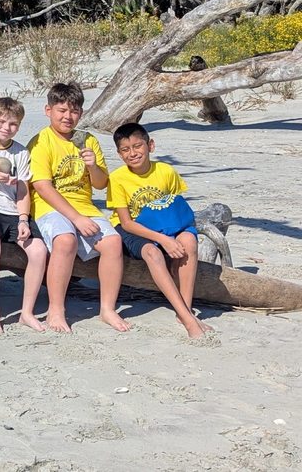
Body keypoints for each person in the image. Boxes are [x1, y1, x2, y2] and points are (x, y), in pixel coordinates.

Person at [28, 83, 128, 334]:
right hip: (49, 206)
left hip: (85, 205)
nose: (67, 116)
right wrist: (76, 218)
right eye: (61, 110)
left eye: (73, 111)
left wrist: (93, 166)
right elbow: (42, 186)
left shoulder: (88, 140)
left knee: (113, 242)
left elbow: (101, 184)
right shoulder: (41, 141)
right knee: (65, 240)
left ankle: (107, 308)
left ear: (81, 114)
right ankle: (56, 309)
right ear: (48, 110)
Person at [107, 122, 208, 338]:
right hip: (135, 230)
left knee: (189, 242)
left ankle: (185, 311)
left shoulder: (165, 171)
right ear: (119, 153)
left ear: (150, 145)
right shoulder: (117, 178)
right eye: (125, 149)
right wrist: (163, 240)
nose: (133, 153)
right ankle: (188, 319)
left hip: (167, 224)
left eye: (137, 146)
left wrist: (175, 237)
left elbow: (176, 207)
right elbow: (126, 223)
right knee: (153, 253)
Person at [0, 98, 47, 333]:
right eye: (1, 121)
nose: (6, 128)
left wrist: (24, 218)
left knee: (38, 250)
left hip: (13, 211)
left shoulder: (20, 152)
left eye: (13, 124)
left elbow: (23, 189)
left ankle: (27, 311)